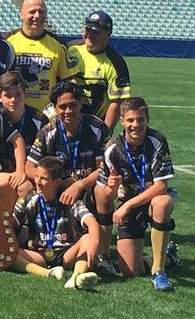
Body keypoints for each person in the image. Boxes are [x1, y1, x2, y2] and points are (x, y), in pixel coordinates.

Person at [26, 81, 113, 273]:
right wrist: (48, 183)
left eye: (72, 105)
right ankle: (33, 239)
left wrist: (78, 184)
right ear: (55, 108)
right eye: (62, 106)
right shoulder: (48, 131)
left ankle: (103, 255)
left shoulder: (97, 128)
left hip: (87, 188)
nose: (68, 111)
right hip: (56, 189)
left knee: (103, 191)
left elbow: (105, 168)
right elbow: (29, 166)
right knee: (25, 187)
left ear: (80, 104)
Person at [94, 97, 178, 291]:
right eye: (130, 120)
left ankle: (159, 271)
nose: (136, 125)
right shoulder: (112, 148)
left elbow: (161, 186)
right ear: (122, 121)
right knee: (131, 271)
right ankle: (168, 255)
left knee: (162, 202)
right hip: (128, 203)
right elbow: (106, 192)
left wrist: (127, 206)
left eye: (140, 119)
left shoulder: (157, 140)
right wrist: (112, 189)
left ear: (147, 120)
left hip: (150, 201)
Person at [11, 156, 101, 290]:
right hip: (40, 254)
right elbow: (10, 222)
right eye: (36, 176)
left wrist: (94, 243)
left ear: (57, 181)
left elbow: (92, 223)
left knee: (88, 238)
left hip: (66, 254)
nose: (38, 182)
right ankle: (49, 273)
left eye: (44, 179)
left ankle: (76, 278)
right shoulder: (30, 200)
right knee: (8, 252)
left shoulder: (68, 199)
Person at [4, 0, 79, 113]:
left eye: (41, 12)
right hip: (14, 113)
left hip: (48, 115)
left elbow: (70, 81)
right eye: (32, 12)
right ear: (22, 14)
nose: (37, 16)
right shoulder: (7, 42)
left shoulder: (58, 45)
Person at [68, 10, 131, 131]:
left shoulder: (117, 64)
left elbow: (116, 103)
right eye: (88, 30)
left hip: (94, 126)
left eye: (96, 32)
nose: (90, 35)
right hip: (66, 121)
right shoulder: (70, 48)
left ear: (108, 34)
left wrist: (104, 134)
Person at [0, 70, 48, 195]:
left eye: (18, 94)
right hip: (2, 174)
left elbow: (47, 157)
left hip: (30, 176)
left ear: (25, 94)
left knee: (25, 188)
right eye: (8, 95)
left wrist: (25, 173)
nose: (13, 100)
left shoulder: (40, 120)